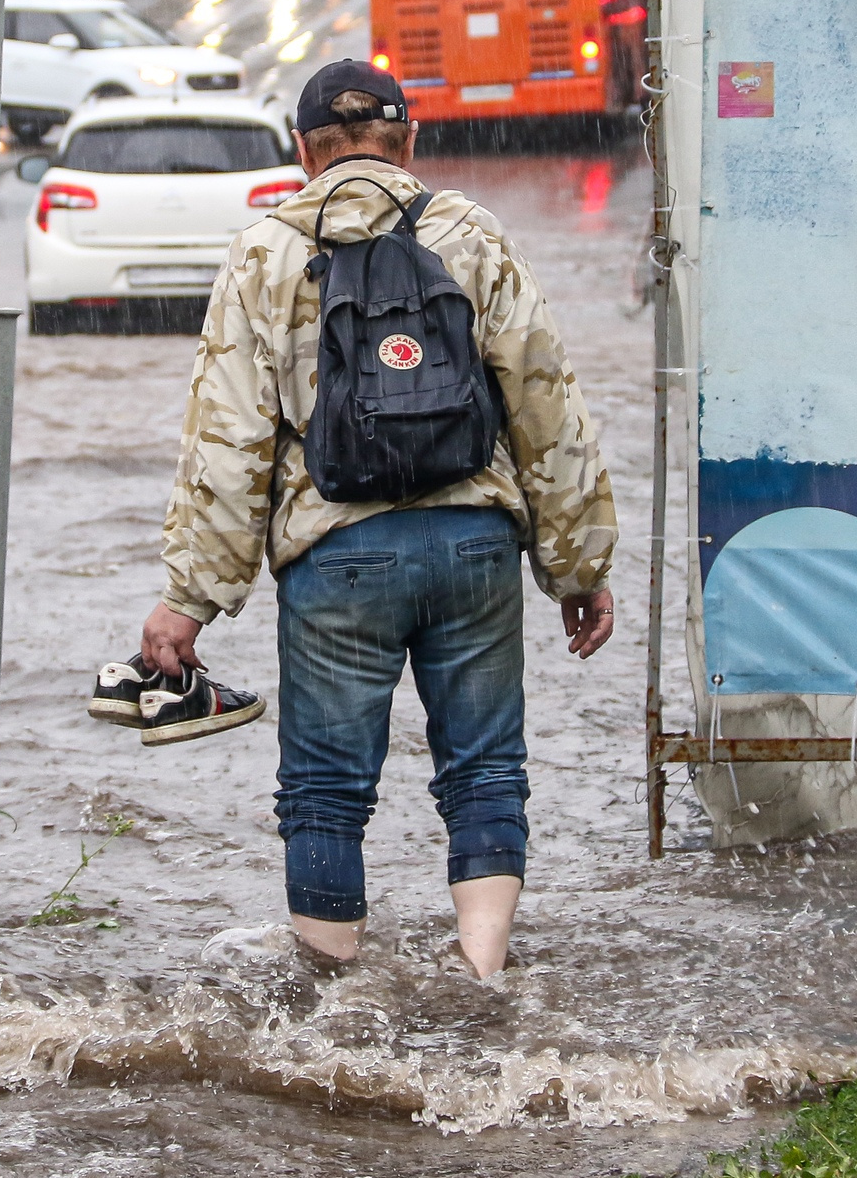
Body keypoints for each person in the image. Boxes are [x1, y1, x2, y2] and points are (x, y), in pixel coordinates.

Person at [134, 59, 616, 978]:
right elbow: (546, 404)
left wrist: (191, 599)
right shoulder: (470, 235)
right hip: (474, 543)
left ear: (304, 152)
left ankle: (338, 1005)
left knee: (324, 791)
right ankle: (485, 979)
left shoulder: (266, 253)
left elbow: (228, 441)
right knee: (483, 772)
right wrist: (577, 564)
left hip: (337, 554)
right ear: (411, 141)